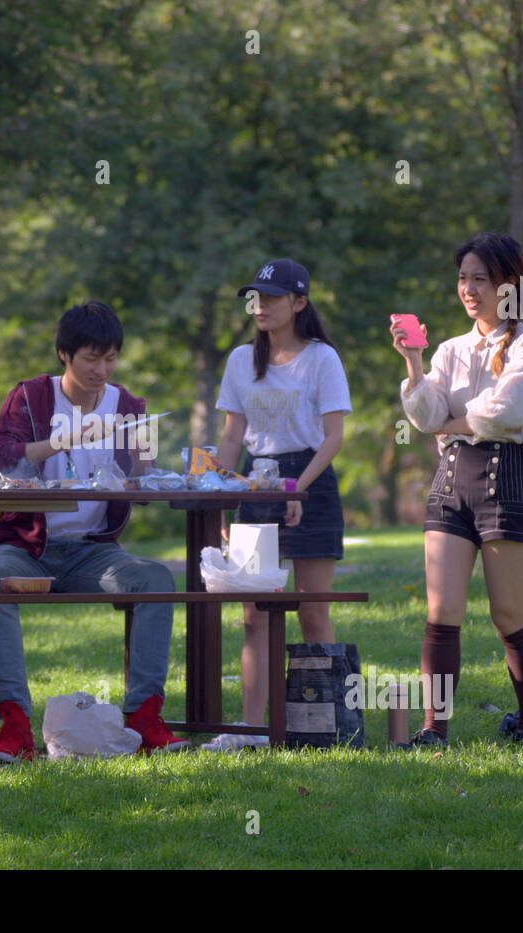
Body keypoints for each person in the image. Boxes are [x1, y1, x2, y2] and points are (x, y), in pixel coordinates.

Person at [0, 300, 191, 761]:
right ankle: (15, 727)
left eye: (110, 358)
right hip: (27, 546)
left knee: (155, 580)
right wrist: (67, 438)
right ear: (64, 355)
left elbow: (141, 482)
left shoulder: (128, 404)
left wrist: (143, 458)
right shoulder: (31, 397)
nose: (101, 369)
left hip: (92, 551)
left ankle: (144, 720)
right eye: (91, 358)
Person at [392, 232, 523, 746]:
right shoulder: (448, 349)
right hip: (451, 482)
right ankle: (432, 730)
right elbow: (425, 417)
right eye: (463, 278)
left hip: (505, 479)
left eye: (480, 279)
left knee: (509, 615)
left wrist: (453, 420)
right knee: (441, 614)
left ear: (508, 284)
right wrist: (414, 364)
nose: (468, 289)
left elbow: (505, 412)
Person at [204, 258, 350, 752]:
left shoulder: (322, 359)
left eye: (270, 297)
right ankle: (249, 730)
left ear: (300, 303)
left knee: (312, 611)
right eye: (255, 297)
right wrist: (220, 501)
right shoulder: (240, 361)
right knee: (254, 614)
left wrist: (298, 491)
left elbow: (334, 437)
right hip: (255, 484)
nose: (259, 306)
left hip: (310, 483)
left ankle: (319, 727)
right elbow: (232, 437)